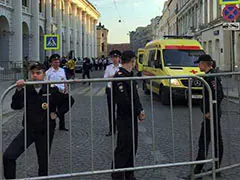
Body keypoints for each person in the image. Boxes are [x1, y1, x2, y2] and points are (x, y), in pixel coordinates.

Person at [3, 62, 62, 179]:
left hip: (45, 131)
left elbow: (67, 101)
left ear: (44, 74)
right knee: (8, 156)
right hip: (29, 130)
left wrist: (56, 114)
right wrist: (18, 90)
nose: (35, 75)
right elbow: (15, 106)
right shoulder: (27, 88)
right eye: (33, 73)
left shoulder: (51, 89)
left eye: (38, 73)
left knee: (43, 163)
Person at [112, 51, 145, 180]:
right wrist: (136, 111)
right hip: (124, 117)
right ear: (132, 61)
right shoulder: (120, 76)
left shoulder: (130, 75)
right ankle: (118, 175)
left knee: (132, 146)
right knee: (123, 147)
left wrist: (140, 109)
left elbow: (135, 96)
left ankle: (129, 173)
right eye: (135, 61)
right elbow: (123, 101)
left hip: (132, 117)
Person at [189, 54, 224, 179]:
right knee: (214, 139)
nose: (198, 65)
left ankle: (198, 172)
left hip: (212, 115)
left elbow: (219, 95)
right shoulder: (208, 76)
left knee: (205, 141)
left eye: (199, 63)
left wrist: (210, 111)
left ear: (204, 63)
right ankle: (216, 168)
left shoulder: (212, 77)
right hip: (210, 115)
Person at [45, 54, 70, 131]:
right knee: (52, 109)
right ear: (51, 63)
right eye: (55, 62)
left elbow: (64, 80)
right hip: (53, 93)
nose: (57, 63)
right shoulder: (48, 72)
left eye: (58, 62)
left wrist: (67, 88)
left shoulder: (62, 70)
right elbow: (46, 83)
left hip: (62, 91)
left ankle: (61, 125)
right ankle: (52, 126)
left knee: (69, 102)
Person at [104, 50, 122, 137]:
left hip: (119, 90)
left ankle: (120, 128)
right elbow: (105, 78)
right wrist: (114, 76)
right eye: (113, 57)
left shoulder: (122, 67)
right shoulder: (108, 68)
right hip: (110, 89)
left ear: (119, 58)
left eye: (116, 57)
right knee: (111, 110)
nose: (115, 59)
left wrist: (114, 77)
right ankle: (112, 129)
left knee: (120, 110)